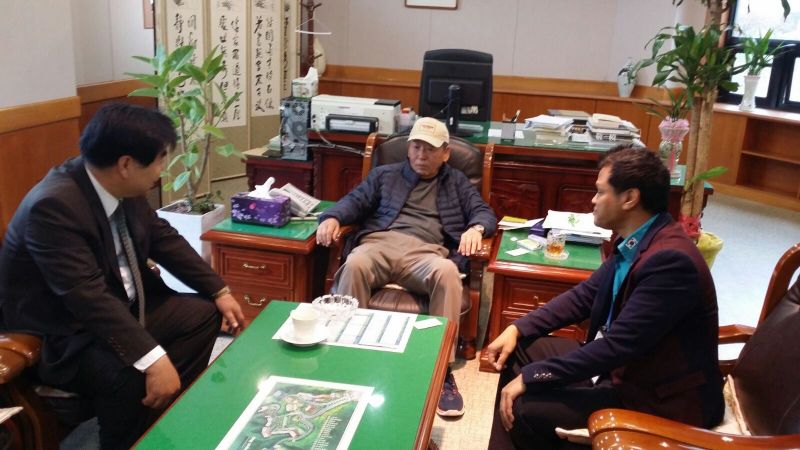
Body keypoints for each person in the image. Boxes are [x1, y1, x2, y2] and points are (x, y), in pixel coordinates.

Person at [0, 103, 246, 449]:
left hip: (119, 306)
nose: (162, 170)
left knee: (202, 314)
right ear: (126, 164)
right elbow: (87, 297)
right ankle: (126, 440)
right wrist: (153, 359)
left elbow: (163, 238)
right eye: (159, 159)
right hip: (66, 334)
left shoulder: (117, 185)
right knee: (132, 374)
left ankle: (156, 417)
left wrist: (219, 290)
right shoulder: (53, 206)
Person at [487, 145, 724, 449]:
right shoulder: (638, 238)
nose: (593, 200)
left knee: (526, 408)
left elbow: (617, 348)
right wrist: (517, 328)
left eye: (600, 192)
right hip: (623, 369)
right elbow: (583, 296)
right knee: (516, 349)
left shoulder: (670, 261)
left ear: (630, 198)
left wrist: (531, 378)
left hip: (655, 397)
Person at [316, 117, 496, 417]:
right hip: (379, 246)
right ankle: (347, 356)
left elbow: (484, 212)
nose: (421, 155)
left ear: (446, 153)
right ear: (408, 148)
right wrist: (332, 217)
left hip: (426, 253)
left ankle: (441, 370)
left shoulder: (456, 182)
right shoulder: (385, 175)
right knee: (355, 263)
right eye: (416, 147)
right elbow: (354, 201)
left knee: (448, 272)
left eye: (430, 149)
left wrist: (476, 228)